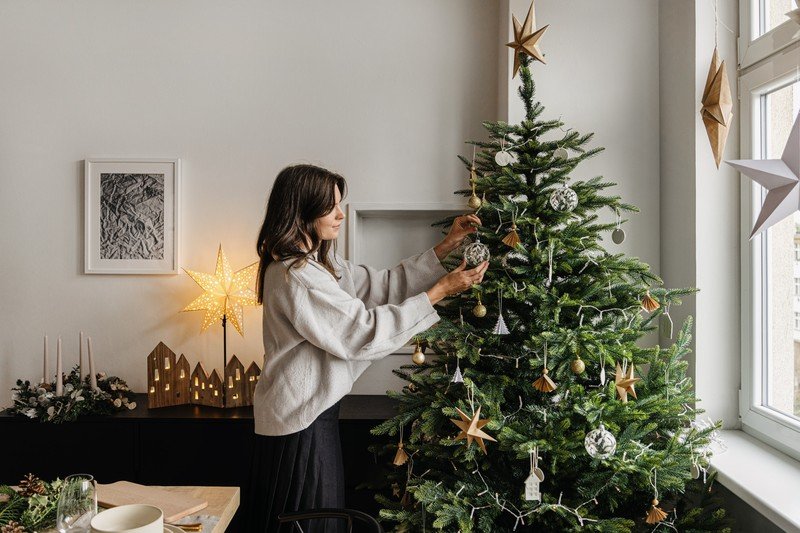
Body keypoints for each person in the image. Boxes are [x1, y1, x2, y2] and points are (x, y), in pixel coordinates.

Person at [245, 163, 489, 532]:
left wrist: (445, 248)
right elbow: (362, 332)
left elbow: (383, 285)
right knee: (310, 524)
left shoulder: (319, 265)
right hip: (300, 423)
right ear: (303, 210)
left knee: (317, 519)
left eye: (341, 204)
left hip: (307, 416)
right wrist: (438, 292)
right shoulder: (299, 276)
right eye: (331, 207)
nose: (341, 214)